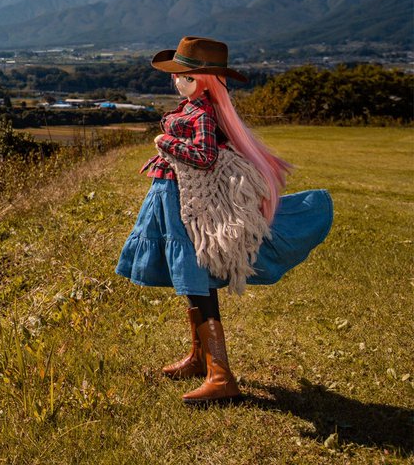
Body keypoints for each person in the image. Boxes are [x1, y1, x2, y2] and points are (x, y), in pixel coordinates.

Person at [116, 36, 333, 405]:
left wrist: (165, 142)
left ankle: (220, 375)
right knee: (191, 280)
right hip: (174, 199)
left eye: (184, 76)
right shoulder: (193, 109)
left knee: (196, 277)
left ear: (204, 80)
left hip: (187, 204)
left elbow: (203, 156)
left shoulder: (201, 113)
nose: (176, 81)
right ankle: (201, 358)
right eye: (177, 76)